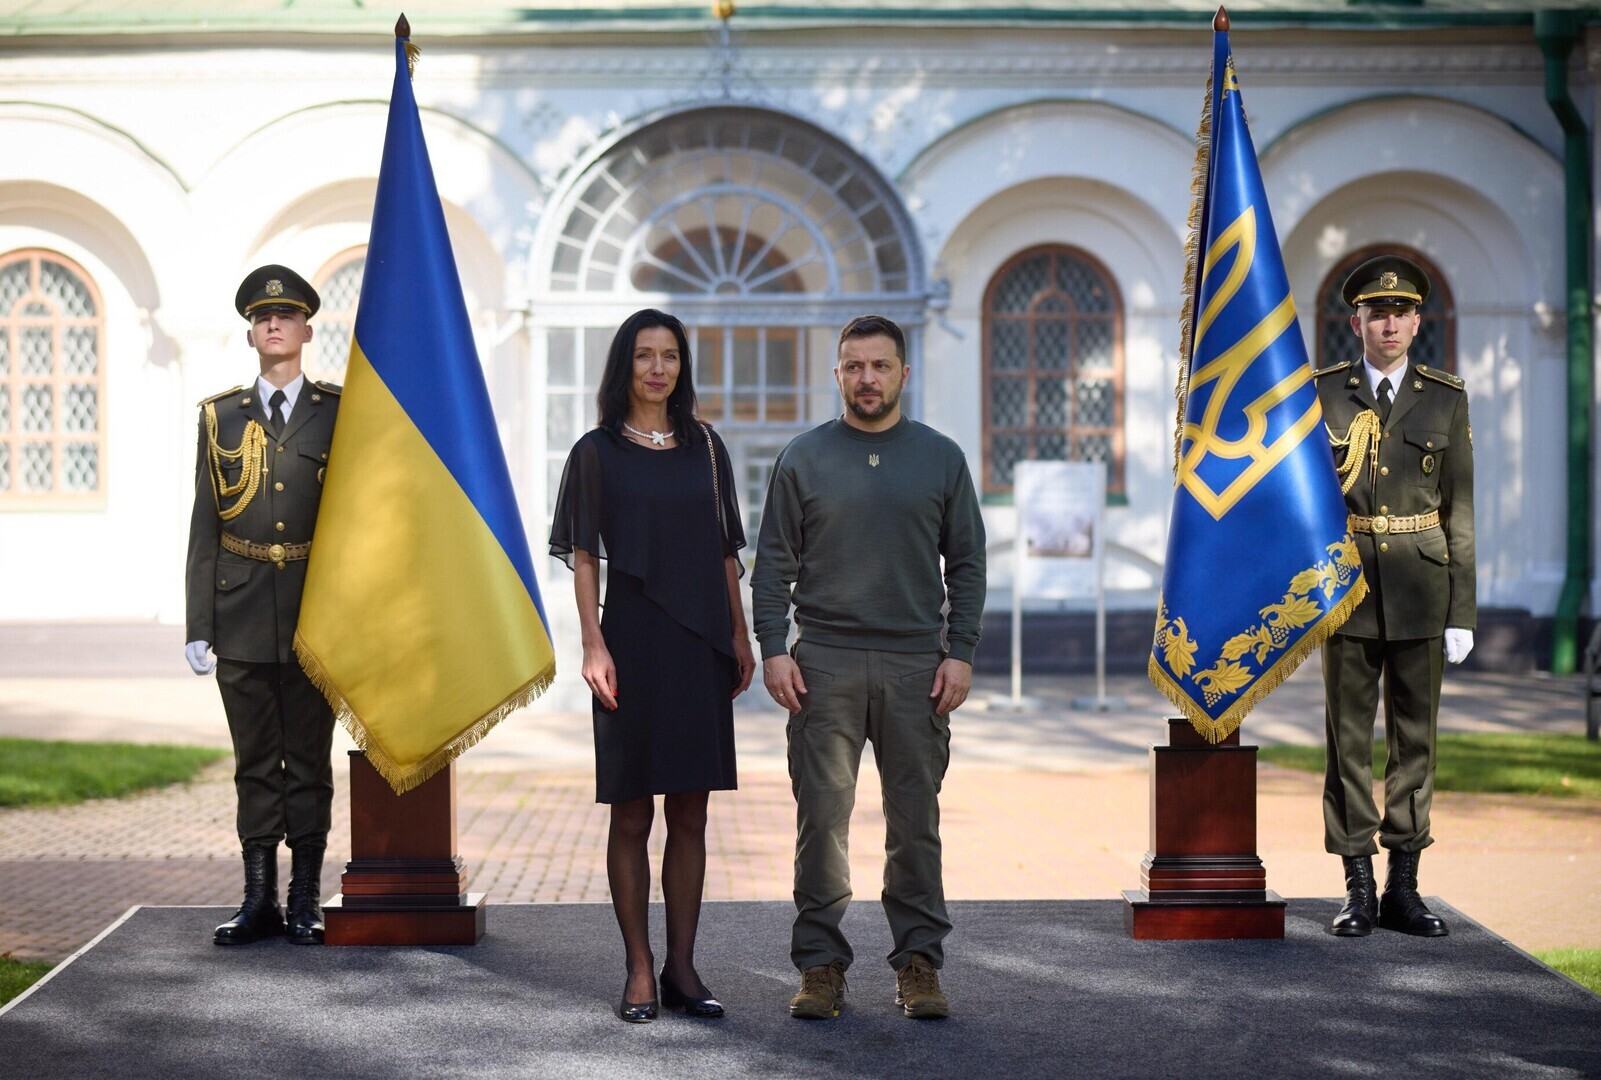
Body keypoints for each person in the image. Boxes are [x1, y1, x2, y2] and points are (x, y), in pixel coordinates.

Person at [752, 314, 986, 1021]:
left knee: (914, 822)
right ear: (837, 374)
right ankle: (820, 966)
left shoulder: (939, 458)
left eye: (880, 366)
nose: (866, 379)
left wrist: (961, 653)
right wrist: (772, 649)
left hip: (918, 664)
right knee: (821, 821)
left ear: (903, 374)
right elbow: (771, 568)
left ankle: (918, 964)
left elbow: (968, 563)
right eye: (853, 366)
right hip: (824, 663)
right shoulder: (804, 458)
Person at [549, 308, 755, 1023]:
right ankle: (638, 969)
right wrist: (591, 643)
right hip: (629, 643)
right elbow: (582, 556)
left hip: (699, 641)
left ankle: (682, 968)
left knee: (691, 810)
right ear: (624, 366)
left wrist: (739, 632)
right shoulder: (596, 451)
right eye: (644, 355)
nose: (657, 368)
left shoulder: (706, 447)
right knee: (632, 810)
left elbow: (727, 550)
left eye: (669, 355)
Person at [1316, 254, 1475, 938]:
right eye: (1374, 312)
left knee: (1415, 741)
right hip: (1347, 589)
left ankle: (1403, 887)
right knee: (1347, 741)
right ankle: (1355, 886)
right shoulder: (1322, 393)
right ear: (1356, 321)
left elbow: (1459, 510)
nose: (1387, 323)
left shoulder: (1445, 396)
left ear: (1416, 322)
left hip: (1420, 585)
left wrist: (1461, 611)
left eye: (1399, 312)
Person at [185, 265, 341, 946]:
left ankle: (305, 895)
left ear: (307, 328)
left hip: (316, 611)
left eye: (286, 315)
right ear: (251, 333)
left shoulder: (340, 412)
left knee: (307, 758)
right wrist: (198, 622)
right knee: (254, 760)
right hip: (241, 611)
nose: (273, 324)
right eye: (261, 317)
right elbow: (204, 523)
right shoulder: (220, 415)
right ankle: (258, 898)